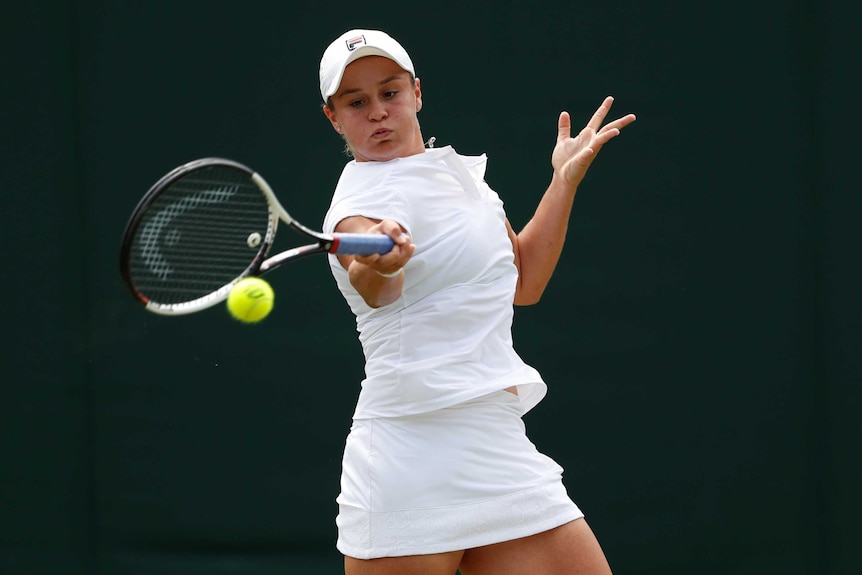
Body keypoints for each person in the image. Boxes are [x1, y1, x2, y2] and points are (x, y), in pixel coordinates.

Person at [318, 29, 636, 575]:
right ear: (335, 118)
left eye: (389, 93)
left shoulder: (461, 177)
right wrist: (383, 262)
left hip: (495, 442)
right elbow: (372, 282)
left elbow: (524, 283)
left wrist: (562, 181)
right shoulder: (355, 208)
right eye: (356, 102)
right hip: (407, 457)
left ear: (416, 93)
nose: (377, 112)